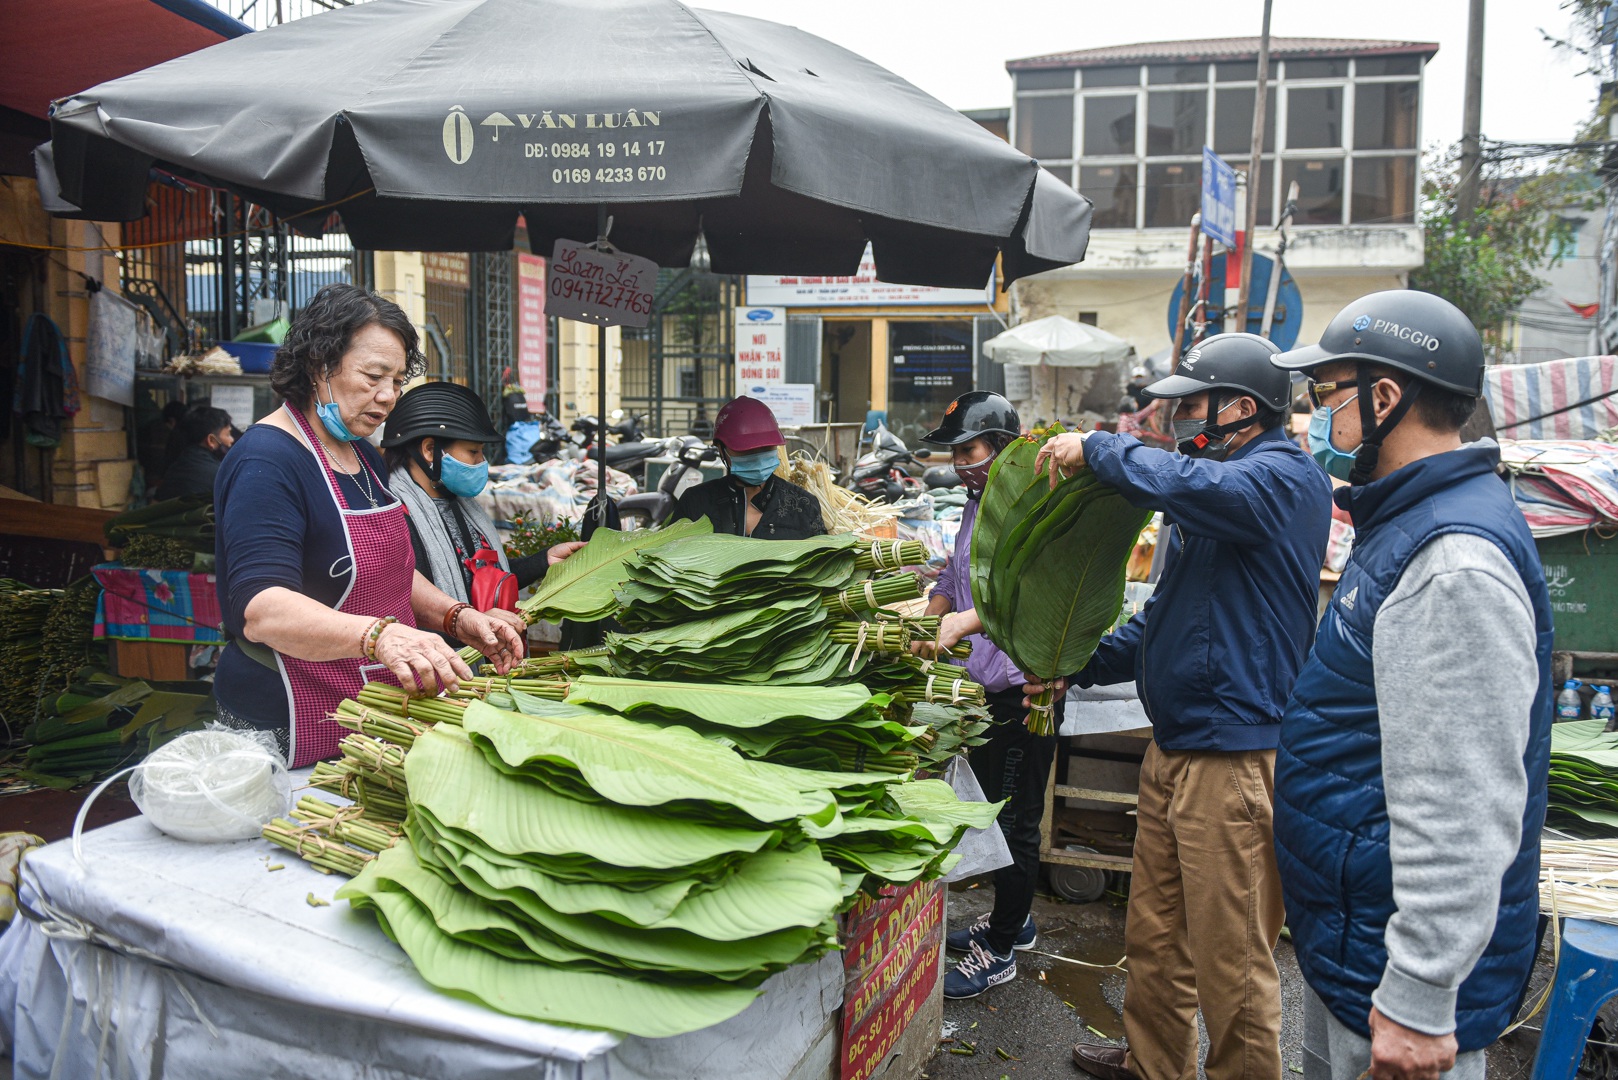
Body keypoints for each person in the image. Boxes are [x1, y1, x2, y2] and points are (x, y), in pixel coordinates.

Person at [1029, 333, 1333, 1080]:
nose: (1175, 422)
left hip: (1233, 756)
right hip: (1178, 746)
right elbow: (1163, 615)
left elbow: (1195, 487)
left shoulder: (1281, 481)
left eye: (1189, 406)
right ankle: (1154, 1064)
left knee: (1232, 959)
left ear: (1238, 408)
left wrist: (1100, 449)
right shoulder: (1217, 489)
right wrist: (1076, 666)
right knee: (1155, 933)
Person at [1270, 290, 1552, 1080]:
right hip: (1358, 946)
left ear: (1384, 398)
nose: (1314, 418)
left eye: (1325, 395)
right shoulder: (1404, 522)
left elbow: (1462, 800)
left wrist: (1421, 997)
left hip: (1401, 985)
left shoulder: (1452, 560)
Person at [213, 284, 525, 768]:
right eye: (373, 376)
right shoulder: (267, 459)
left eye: (397, 380)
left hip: (368, 703)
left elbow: (389, 572)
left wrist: (455, 617)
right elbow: (263, 609)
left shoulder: (364, 455)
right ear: (319, 365)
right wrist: (383, 636)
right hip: (290, 711)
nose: (388, 397)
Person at [914, 390, 1058, 1000]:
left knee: (1017, 820)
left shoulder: (1035, 505)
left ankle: (1000, 949)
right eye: (955, 452)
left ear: (1002, 446)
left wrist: (962, 624)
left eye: (969, 449)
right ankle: (1014, 920)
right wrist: (936, 609)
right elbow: (958, 572)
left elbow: (1031, 593)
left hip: (1027, 688)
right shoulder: (980, 500)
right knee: (989, 810)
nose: (960, 462)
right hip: (982, 686)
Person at [381, 381, 582, 634]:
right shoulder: (394, 516)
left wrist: (543, 560)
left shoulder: (460, 505)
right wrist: (471, 621)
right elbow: (413, 606)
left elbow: (484, 576)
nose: (481, 462)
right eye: (473, 451)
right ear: (430, 450)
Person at [671, 396, 825, 538]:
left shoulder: (803, 505)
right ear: (720, 449)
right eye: (746, 450)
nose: (757, 457)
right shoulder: (696, 502)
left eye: (766, 448)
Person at [155, 405, 234, 501]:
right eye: (228, 434)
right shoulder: (220, 474)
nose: (231, 440)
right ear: (211, 440)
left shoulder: (177, 466)